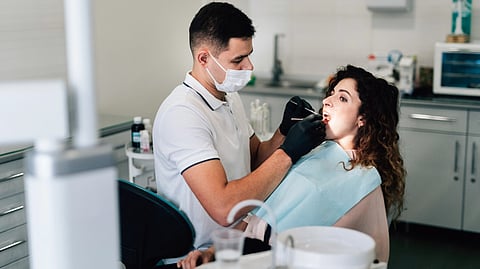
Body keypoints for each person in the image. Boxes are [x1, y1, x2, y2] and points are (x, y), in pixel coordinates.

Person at [177, 65, 406, 268]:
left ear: (362, 118)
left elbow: (346, 253)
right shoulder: (314, 152)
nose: (327, 101)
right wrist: (211, 253)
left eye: (343, 98)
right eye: (331, 94)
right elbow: (255, 220)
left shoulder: (363, 180)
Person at [152, 1, 324, 263]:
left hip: (237, 240)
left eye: (249, 55)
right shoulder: (183, 113)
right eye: (238, 59)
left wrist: (284, 131)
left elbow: (254, 158)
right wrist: (288, 153)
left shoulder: (228, 97)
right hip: (199, 255)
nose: (249, 67)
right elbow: (223, 208)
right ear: (204, 58)